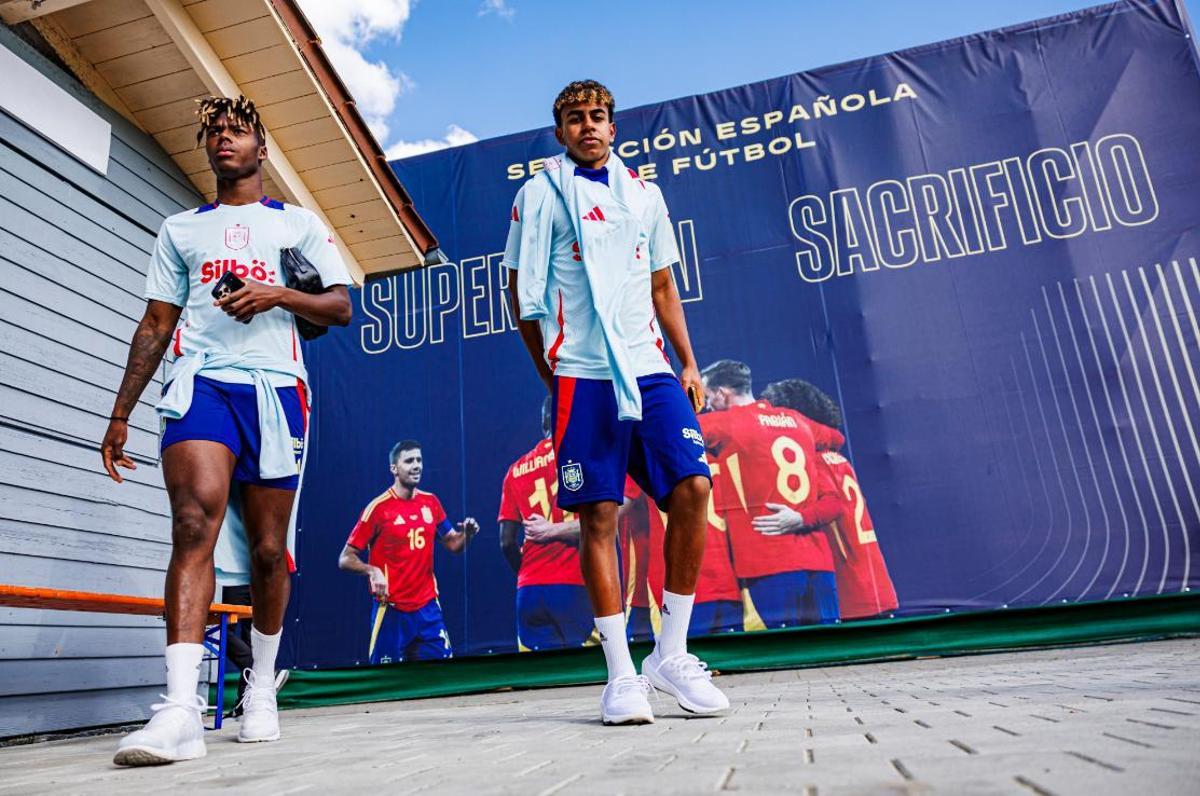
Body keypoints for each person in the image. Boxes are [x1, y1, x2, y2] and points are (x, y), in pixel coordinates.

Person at [100, 95, 353, 765]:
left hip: (275, 389)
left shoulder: (296, 224)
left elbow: (339, 307)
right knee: (192, 525)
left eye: (237, 131)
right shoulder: (180, 229)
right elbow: (156, 323)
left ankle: (261, 686)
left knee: (268, 551)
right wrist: (121, 412)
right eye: (214, 132)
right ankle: (180, 710)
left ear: (261, 149)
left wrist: (277, 294)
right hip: (201, 383)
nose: (224, 140)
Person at [504, 79, 727, 724]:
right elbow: (521, 294)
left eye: (597, 116)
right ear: (561, 131)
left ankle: (671, 654)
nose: (588, 126)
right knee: (599, 514)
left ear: (612, 126)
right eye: (575, 118)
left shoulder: (644, 194)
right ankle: (621, 676)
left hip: (648, 366)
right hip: (581, 370)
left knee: (693, 489)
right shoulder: (539, 195)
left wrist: (688, 361)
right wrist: (553, 372)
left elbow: (662, 286)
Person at [700, 360, 845, 629]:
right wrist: (801, 517)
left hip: (769, 561)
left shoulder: (724, 423)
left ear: (722, 393)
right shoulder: (797, 419)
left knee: (787, 647)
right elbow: (836, 438)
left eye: (708, 397)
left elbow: (676, 433)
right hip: (819, 561)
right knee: (832, 645)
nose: (707, 405)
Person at [761, 379, 898, 619]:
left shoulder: (813, 459)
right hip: (872, 578)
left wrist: (799, 518)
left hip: (851, 585)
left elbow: (833, 505)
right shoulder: (837, 458)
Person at [339, 440, 479, 663]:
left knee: (442, 674)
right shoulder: (378, 508)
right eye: (409, 461)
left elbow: (453, 544)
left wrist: (467, 534)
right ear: (394, 468)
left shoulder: (430, 502)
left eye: (419, 460)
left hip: (427, 608)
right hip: (391, 610)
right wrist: (372, 571)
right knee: (386, 679)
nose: (416, 466)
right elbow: (345, 558)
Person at [498, 398, 593, 651]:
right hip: (574, 584)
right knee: (585, 668)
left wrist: (526, 573)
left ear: (543, 424)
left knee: (538, 671)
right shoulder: (583, 455)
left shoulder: (516, 470)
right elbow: (599, 524)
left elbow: (506, 542)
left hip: (529, 591)